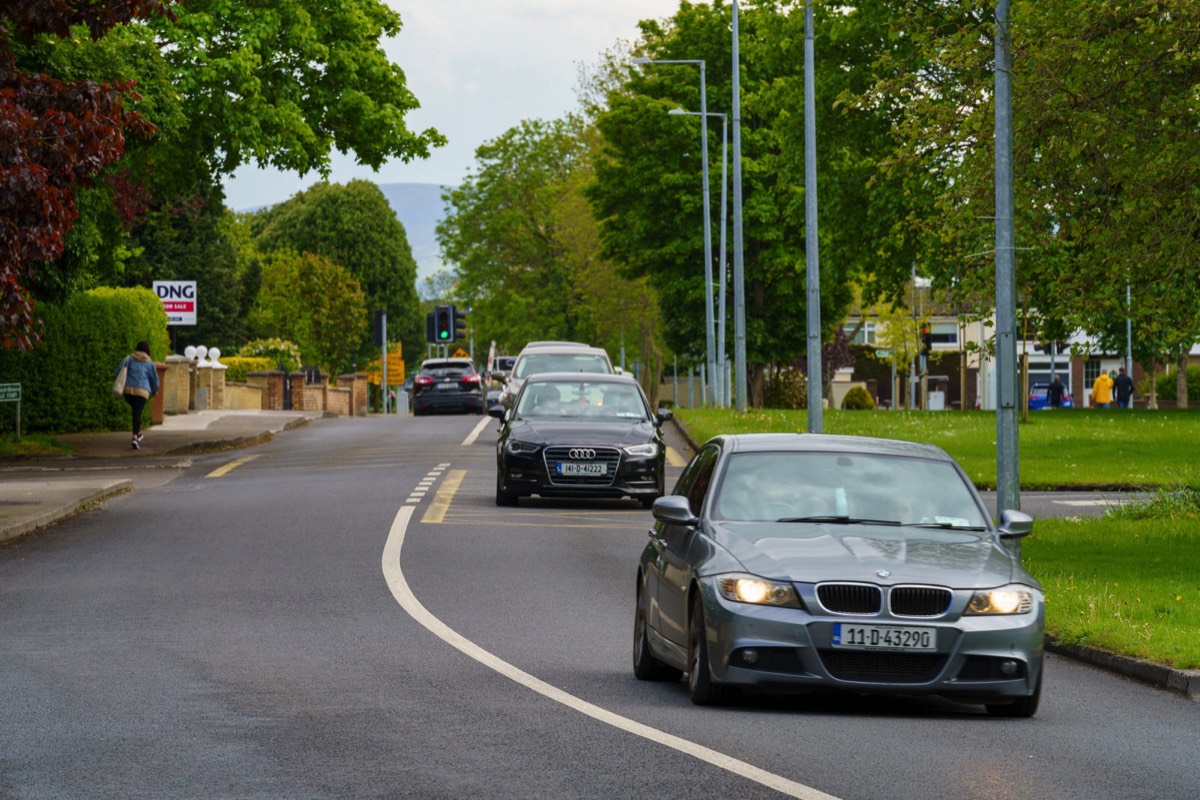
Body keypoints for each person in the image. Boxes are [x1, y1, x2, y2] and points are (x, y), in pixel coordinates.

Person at [117, 340, 159, 450]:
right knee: (137, 412)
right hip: (142, 393)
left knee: (136, 412)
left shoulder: (128, 359)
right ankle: (135, 437)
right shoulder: (149, 364)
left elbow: (118, 372)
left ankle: (138, 434)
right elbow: (154, 380)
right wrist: (154, 391)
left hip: (128, 392)